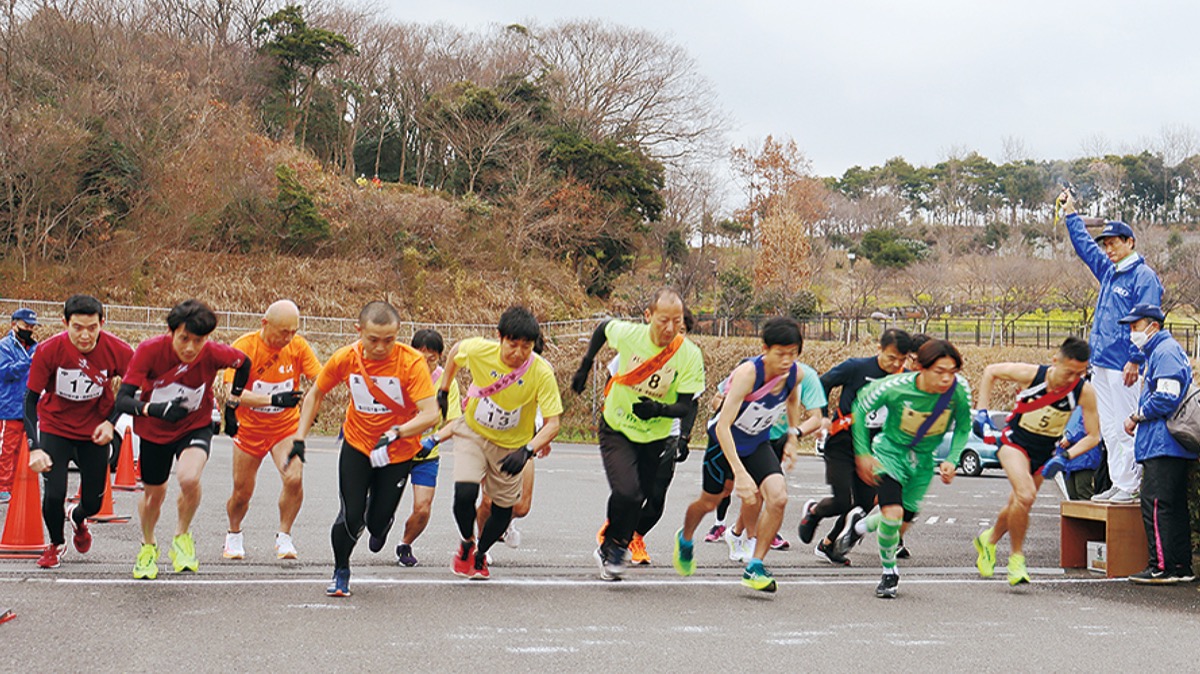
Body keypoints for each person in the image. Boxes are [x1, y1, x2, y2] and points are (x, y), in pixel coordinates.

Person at [293, 301, 439, 597]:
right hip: (357, 444)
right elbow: (316, 393)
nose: (382, 347)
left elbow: (430, 412)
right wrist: (299, 437)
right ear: (358, 331)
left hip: (397, 451)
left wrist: (397, 432)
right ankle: (341, 570)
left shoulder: (411, 363)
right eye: (373, 339)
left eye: (390, 340)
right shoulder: (345, 358)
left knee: (376, 522)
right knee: (350, 515)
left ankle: (382, 520)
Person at [571, 289, 704, 581]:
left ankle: (611, 544)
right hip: (617, 426)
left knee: (640, 496)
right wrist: (586, 364)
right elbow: (603, 328)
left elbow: (684, 406)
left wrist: (658, 409)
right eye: (663, 320)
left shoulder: (690, 355)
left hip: (654, 435)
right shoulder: (630, 335)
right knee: (628, 491)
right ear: (648, 317)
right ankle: (615, 548)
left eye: (677, 321)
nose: (670, 328)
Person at [114, 300, 252, 580]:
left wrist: (232, 404)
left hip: (194, 425)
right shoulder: (149, 351)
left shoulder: (213, 353)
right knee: (154, 495)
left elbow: (244, 362)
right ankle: (148, 545)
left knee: (189, 478)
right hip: (154, 430)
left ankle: (181, 537)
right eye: (184, 339)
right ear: (171, 332)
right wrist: (154, 409)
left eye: (198, 341)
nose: (190, 348)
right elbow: (123, 400)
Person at [673, 317, 806, 592]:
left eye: (792, 354)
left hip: (757, 443)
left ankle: (755, 566)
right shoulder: (749, 374)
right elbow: (723, 426)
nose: (785, 361)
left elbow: (793, 399)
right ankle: (685, 538)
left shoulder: (794, 374)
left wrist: (792, 436)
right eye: (780, 353)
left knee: (778, 497)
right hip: (723, 442)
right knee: (710, 502)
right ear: (765, 349)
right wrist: (740, 474)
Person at [836, 339, 972, 599]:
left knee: (900, 524)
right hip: (890, 453)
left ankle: (859, 527)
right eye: (939, 371)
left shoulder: (959, 391)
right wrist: (863, 453)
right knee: (892, 513)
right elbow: (861, 407)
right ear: (920, 367)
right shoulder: (894, 387)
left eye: (952, 372)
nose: (946, 379)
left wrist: (952, 459)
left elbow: (964, 426)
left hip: (922, 462)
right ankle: (890, 572)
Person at [439, 307, 562, 580]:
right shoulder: (479, 350)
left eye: (526, 347)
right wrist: (444, 389)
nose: (518, 353)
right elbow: (455, 352)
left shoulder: (541, 371)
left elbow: (553, 423)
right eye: (512, 345)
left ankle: (481, 552)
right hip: (475, 434)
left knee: (505, 510)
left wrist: (528, 449)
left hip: (512, 447)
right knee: (464, 494)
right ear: (499, 338)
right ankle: (466, 543)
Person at [1060, 190, 1163, 504]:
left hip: (1124, 365)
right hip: (1101, 363)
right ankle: (1120, 482)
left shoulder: (1142, 276)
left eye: (1114, 243)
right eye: (1106, 244)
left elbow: (1146, 320)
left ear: (1130, 242)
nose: (1108, 249)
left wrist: (1135, 358)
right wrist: (1071, 215)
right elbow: (1084, 248)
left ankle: (1132, 484)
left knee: (1125, 424)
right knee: (1108, 428)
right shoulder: (1108, 273)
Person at [972, 337, 1100, 585]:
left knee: (1019, 504)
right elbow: (991, 372)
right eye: (1068, 372)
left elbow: (1094, 436)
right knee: (1026, 494)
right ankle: (1016, 558)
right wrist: (982, 413)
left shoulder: (1084, 391)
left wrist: (1066, 456)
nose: (1072, 379)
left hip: (1046, 452)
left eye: (1080, 373)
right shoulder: (1032, 375)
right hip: (1015, 443)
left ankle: (987, 541)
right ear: (1055, 361)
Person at [24, 296, 133, 568]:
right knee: (53, 494)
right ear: (65, 324)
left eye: (92, 328)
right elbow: (29, 399)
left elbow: (133, 387)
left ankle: (78, 516)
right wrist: (34, 446)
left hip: (95, 431)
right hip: (55, 427)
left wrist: (111, 421)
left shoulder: (117, 350)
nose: (85, 335)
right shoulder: (49, 351)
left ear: (102, 324)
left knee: (94, 503)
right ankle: (56, 544)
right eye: (77, 328)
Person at [797, 329, 912, 566]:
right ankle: (814, 512)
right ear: (879, 349)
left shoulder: (906, 378)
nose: (896, 364)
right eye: (891, 357)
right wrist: (823, 415)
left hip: (876, 449)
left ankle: (828, 545)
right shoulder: (856, 368)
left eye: (902, 359)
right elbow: (822, 383)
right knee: (843, 501)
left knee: (864, 503)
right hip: (842, 442)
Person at [220, 300, 322, 561]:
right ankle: (234, 534)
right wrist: (274, 400)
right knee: (242, 493)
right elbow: (233, 394)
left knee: (294, 478)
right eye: (283, 332)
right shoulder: (245, 347)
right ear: (265, 324)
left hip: (285, 428)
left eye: (293, 331)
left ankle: (284, 536)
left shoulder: (298, 347)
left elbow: (320, 379)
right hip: (250, 429)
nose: (288, 338)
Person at [597, 310, 701, 565]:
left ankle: (635, 534)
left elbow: (692, 403)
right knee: (631, 491)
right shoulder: (637, 348)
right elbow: (612, 381)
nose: (675, 333)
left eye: (682, 329)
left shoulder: (688, 358)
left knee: (655, 501)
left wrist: (684, 437)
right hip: (630, 428)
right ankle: (617, 534)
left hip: (667, 435)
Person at [1116, 305, 1196, 584]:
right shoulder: (1164, 352)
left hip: (1164, 443)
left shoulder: (1164, 352)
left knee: (1156, 504)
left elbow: (1166, 395)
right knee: (1173, 506)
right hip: (1171, 445)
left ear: (1154, 326)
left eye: (1135, 326)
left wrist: (1136, 416)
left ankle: (1161, 566)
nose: (1131, 333)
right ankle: (1180, 566)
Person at [394, 329, 461, 567]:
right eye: (419, 357)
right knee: (382, 507)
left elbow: (454, 422)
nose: (425, 363)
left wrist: (433, 440)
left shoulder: (447, 384)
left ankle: (405, 544)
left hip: (426, 454)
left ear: (440, 357)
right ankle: (380, 523)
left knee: (422, 509)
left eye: (431, 358)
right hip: (397, 451)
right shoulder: (399, 377)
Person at [0, 308, 39, 504]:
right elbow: (4, 372)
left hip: (31, 409)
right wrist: (26, 363)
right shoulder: (5, 346)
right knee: (7, 449)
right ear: (14, 324)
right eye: (26, 325)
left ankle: (17, 485)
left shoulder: (36, 347)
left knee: (28, 448)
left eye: (32, 326)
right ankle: (3, 486)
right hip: (9, 406)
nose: (29, 330)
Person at [1057, 407, 1103, 500]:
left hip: (1085, 454)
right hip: (1068, 455)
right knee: (1072, 495)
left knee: (1083, 492)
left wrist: (1069, 437)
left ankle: (1089, 514)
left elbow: (1087, 424)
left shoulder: (1088, 402)